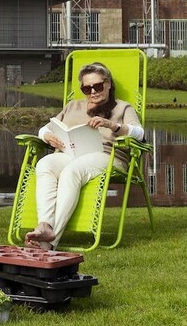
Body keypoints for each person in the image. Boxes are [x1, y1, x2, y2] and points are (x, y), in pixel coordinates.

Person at [24, 61, 145, 249]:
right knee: (45, 164)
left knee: (72, 171)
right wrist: (47, 136)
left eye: (97, 86)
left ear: (108, 84)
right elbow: (45, 128)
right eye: (87, 89)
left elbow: (140, 133)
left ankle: (49, 242)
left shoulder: (122, 108)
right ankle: (45, 225)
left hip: (106, 155)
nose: (93, 92)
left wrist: (112, 125)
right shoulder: (73, 106)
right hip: (70, 152)